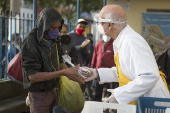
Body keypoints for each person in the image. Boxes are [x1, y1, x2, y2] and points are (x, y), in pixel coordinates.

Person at [84, 5, 169, 105]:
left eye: (101, 23)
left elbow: (149, 76)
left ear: (110, 25)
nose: (99, 26)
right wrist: (97, 73)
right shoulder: (122, 40)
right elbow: (126, 71)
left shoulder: (131, 42)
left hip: (153, 103)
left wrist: (119, 95)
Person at [21, 7, 84, 113]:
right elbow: (33, 76)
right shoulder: (31, 41)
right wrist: (63, 72)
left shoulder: (55, 39)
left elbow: (60, 60)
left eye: (58, 28)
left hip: (55, 91)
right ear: (44, 26)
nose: (56, 31)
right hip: (39, 94)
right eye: (53, 28)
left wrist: (72, 74)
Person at [91, 35, 118, 102]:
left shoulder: (114, 44)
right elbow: (94, 58)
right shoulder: (98, 44)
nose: (106, 36)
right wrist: (92, 69)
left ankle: (111, 109)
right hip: (98, 73)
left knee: (112, 93)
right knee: (97, 93)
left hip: (111, 74)